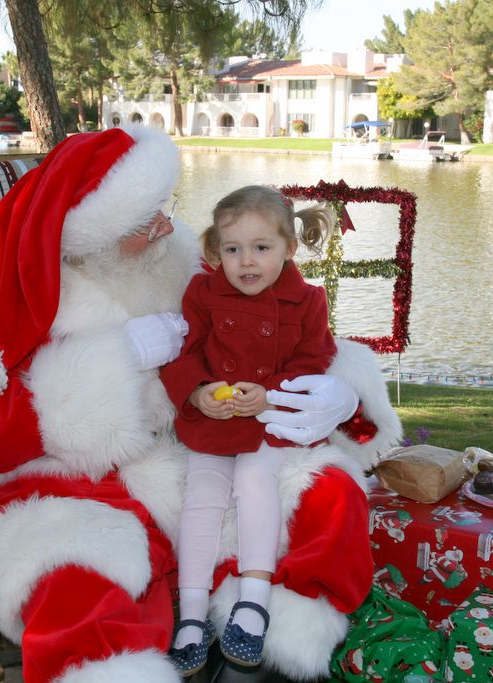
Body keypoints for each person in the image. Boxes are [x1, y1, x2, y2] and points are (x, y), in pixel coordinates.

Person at [0, 125, 403, 683]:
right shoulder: (4, 287)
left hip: (205, 448)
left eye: (163, 207)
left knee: (325, 493)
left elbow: (287, 327)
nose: (165, 224)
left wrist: (341, 392)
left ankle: (267, 652)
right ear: (94, 232)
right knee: (73, 580)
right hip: (75, 482)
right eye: (145, 221)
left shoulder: (185, 253)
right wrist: (123, 356)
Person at [159, 186, 338, 673]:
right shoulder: (203, 292)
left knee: (255, 484)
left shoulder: (307, 300)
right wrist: (197, 392)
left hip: (268, 421)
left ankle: (253, 600)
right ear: (217, 250)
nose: (247, 262)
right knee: (202, 498)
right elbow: (185, 352)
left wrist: (273, 392)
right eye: (233, 249)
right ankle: (192, 613)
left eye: (262, 248)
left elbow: (315, 360)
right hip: (213, 418)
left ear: (289, 248)